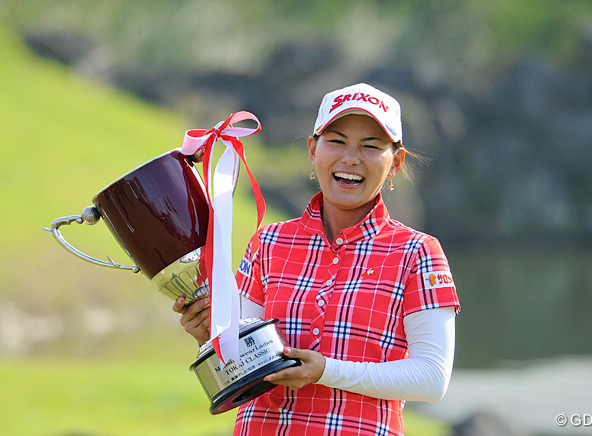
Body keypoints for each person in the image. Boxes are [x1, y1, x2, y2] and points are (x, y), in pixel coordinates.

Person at [173, 83, 460, 435]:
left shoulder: (417, 252)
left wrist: (326, 370)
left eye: (371, 146)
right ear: (313, 150)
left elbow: (432, 378)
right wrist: (211, 335)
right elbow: (241, 360)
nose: (350, 158)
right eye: (336, 141)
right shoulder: (269, 242)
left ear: (395, 162)